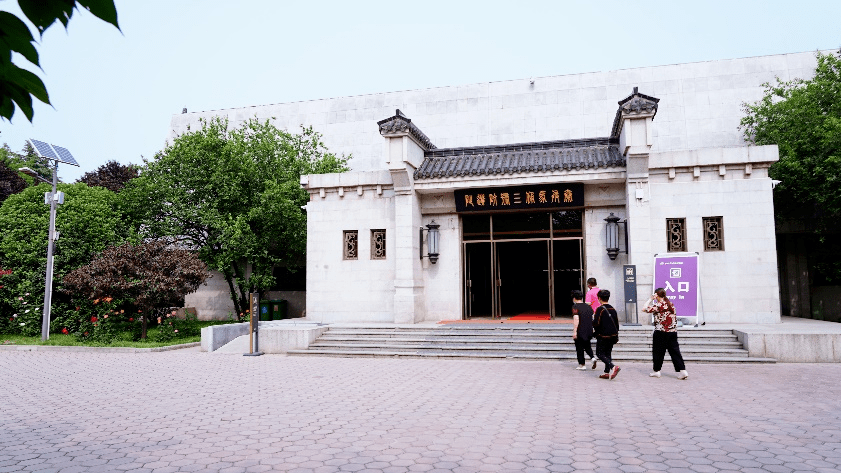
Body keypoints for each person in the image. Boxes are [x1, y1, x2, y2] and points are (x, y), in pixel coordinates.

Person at [643, 288, 689, 380]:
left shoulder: (658, 305)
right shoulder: (670, 304)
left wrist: (650, 299)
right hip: (672, 332)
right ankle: (683, 371)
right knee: (675, 352)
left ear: (656, 295)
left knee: (658, 352)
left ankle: (657, 371)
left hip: (661, 332)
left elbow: (644, 309)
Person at [592, 289, 620, 380]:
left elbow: (596, 323)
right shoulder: (613, 309)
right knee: (608, 354)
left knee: (599, 353)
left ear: (599, 298)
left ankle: (613, 367)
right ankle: (606, 372)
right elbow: (617, 324)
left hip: (602, 336)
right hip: (612, 336)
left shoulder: (600, 309)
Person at [570, 289, 595, 370]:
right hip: (589, 329)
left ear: (574, 298)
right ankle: (592, 358)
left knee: (579, 347)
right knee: (587, 345)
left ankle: (582, 364)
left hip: (580, 330)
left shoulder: (575, 307)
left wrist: (574, 332)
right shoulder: (588, 306)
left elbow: (576, 319)